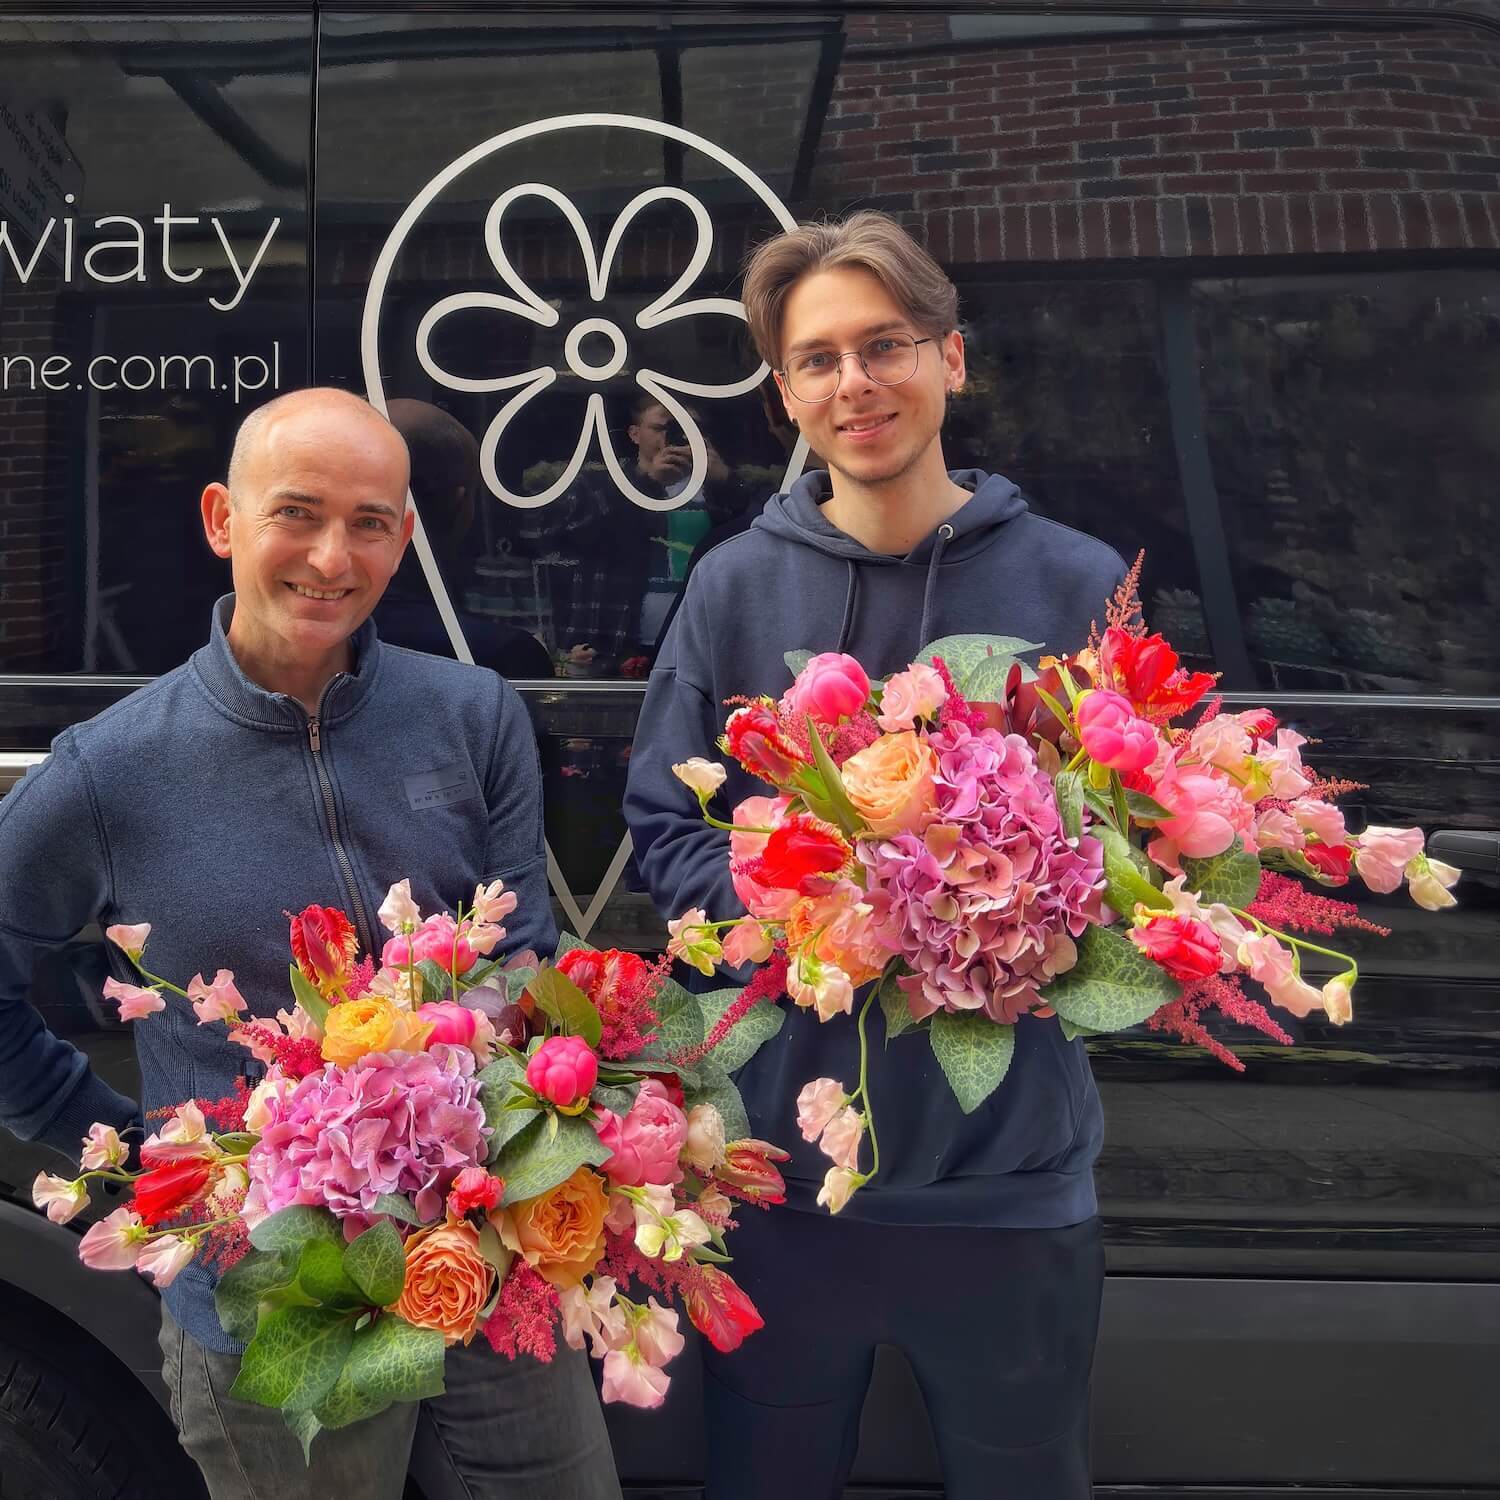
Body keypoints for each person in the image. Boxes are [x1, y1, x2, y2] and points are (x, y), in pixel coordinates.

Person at [0, 388, 621, 1500]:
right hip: (273, 1300)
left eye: (369, 522)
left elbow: (523, 967)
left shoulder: (474, 716)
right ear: (222, 520)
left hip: (488, 1262)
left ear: (405, 537)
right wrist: (133, 1154)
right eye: (297, 513)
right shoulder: (108, 771)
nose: (333, 558)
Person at [623, 213, 1125, 1499]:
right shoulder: (734, 588)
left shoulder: (1075, 586)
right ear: (785, 393)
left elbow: (1136, 854)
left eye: (884, 345)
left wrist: (1001, 917)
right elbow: (665, 831)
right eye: (818, 359)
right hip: (786, 1185)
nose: (855, 383)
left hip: (1010, 1183)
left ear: (950, 357)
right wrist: (836, 917)